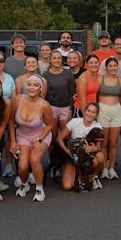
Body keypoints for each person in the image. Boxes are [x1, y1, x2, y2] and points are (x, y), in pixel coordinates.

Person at [9, 75, 55, 202]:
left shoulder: (45, 105)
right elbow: (11, 121)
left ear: (41, 89)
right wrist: (13, 141)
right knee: (23, 167)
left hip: (41, 136)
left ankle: (39, 188)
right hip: (22, 136)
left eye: (36, 85)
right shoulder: (17, 100)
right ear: (26, 86)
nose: (32, 87)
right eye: (30, 84)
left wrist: (40, 139)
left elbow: (50, 124)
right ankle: (25, 185)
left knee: (34, 160)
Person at [43, 50, 77, 180]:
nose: (57, 60)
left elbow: (72, 93)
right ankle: (52, 164)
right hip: (52, 108)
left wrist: (70, 109)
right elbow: (44, 95)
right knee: (53, 138)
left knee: (66, 136)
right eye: (54, 58)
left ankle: (65, 162)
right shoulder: (45, 75)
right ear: (50, 60)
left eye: (59, 58)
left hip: (65, 107)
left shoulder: (67, 74)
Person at [56, 102, 104, 191]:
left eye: (93, 112)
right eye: (88, 110)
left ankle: (94, 176)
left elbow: (99, 147)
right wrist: (67, 151)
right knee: (67, 186)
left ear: (96, 115)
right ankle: (78, 174)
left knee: (100, 157)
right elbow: (59, 139)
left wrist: (94, 148)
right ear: (84, 111)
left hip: (87, 157)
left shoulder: (97, 126)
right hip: (73, 156)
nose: (90, 114)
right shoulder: (75, 122)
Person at [96, 56, 121, 179]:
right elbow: (94, 95)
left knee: (113, 143)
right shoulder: (100, 79)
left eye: (115, 65)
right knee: (104, 142)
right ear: (106, 67)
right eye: (110, 66)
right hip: (102, 110)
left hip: (116, 110)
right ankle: (103, 168)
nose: (113, 68)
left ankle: (112, 168)